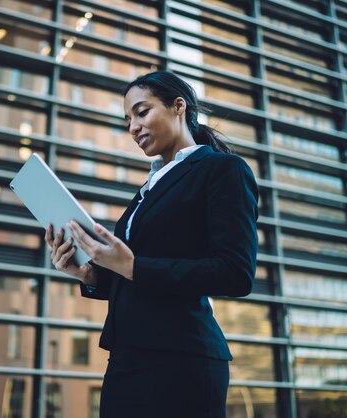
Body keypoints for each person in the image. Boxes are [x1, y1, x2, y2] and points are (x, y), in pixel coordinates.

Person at [44, 70, 259, 418]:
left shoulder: (223, 170)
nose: (133, 127)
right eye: (128, 119)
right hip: (127, 358)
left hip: (181, 360)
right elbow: (137, 275)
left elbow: (235, 273)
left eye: (142, 112)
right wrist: (89, 274)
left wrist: (130, 265)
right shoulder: (149, 189)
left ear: (178, 107)